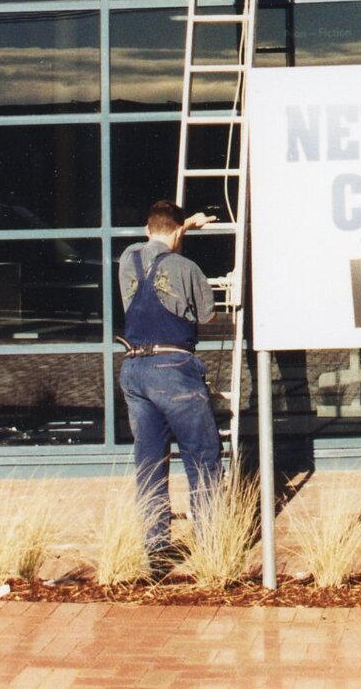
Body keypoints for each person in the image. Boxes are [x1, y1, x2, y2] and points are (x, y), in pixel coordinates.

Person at [117, 200, 222, 557]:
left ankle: (155, 548)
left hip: (134, 370)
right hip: (173, 369)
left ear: (148, 230)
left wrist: (182, 226)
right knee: (203, 456)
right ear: (178, 232)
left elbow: (155, 239)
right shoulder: (187, 267)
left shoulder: (127, 258)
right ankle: (211, 546)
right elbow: (206, 317)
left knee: (149, 461)